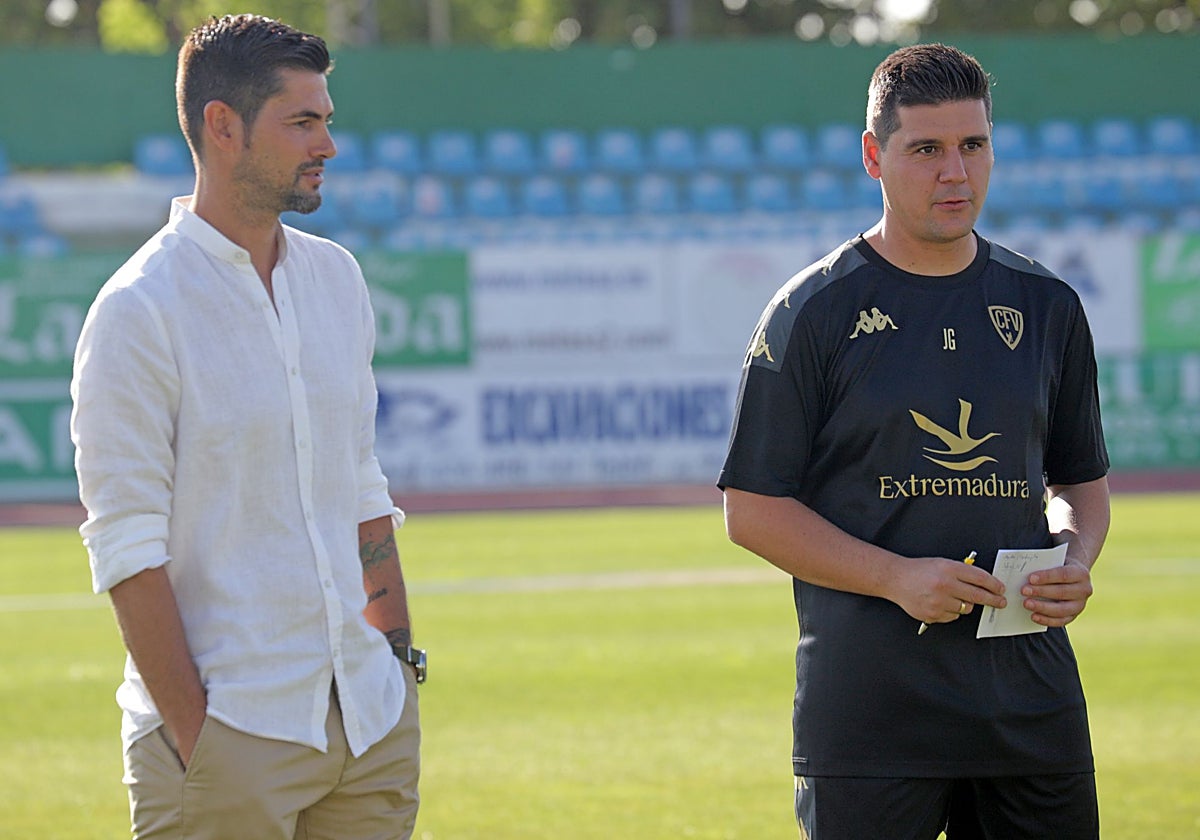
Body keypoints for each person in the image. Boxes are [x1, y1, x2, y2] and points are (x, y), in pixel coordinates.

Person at [718, 43, 1110, 840]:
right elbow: (751, 509)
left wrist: (1075, 558)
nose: (955, 172)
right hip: (870, 719)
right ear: (874, 156)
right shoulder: (813, 312)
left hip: (1031, 712)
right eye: (926, 149)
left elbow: (1079, 483)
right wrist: (897, 577)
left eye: (974, 145)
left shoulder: (1048, 305)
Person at [70, 14, 421, 839]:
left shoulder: (338, 279)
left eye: (326, 120)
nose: (327, 144)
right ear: (223, 126)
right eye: (303, 122)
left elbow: (363, 488)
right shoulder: (137, 311)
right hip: (229, 738)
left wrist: (396, 661)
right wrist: (201, 736)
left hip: (368, 727)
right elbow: (125, 547)